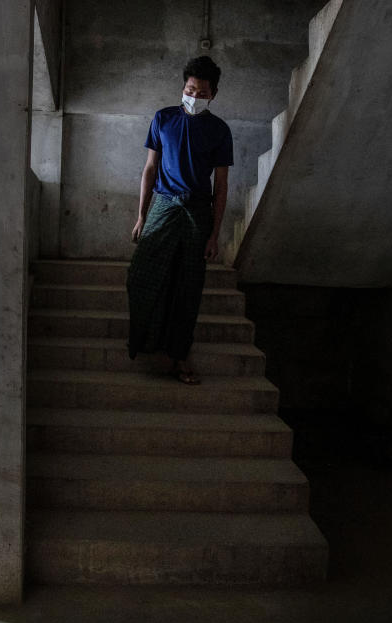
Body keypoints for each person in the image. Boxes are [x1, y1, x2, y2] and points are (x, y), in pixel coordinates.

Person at [126, 56, 233, 385]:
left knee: (188, 287)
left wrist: (215, 234)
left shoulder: (219, 130)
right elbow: (149, 169)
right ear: (182, 88)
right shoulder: (163, 118)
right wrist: (141, 215)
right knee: (141, 275)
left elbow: (222, 185)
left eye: (202, 92)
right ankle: (145, 342)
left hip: (197, 211)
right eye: (190, 89)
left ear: (213, 94)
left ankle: (179, 357)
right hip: (162, 206)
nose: (194, 96)